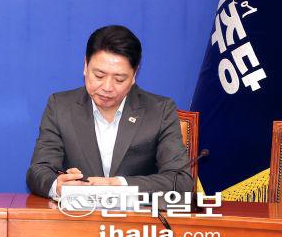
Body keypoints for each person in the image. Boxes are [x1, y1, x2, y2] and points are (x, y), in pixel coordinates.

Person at [26, 25, 191, 198]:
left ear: (134, 75)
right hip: (78, 213)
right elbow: (38, 171)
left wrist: (119, 185)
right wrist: (58, 185)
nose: (107, 87)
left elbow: (180, 180)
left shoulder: (159, 111)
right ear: (85, 66)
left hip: (135, 214)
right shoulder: (60, 106)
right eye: (99, 75)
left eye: (119, 79)